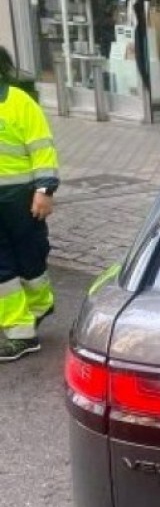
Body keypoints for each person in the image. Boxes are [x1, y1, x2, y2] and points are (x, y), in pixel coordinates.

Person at [0, 46, 59, 362]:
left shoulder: (20, 102)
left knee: (30, 256)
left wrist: (44, 189)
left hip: (21, 197)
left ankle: (38, 305)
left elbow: (42, 149)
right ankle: (20, 331)